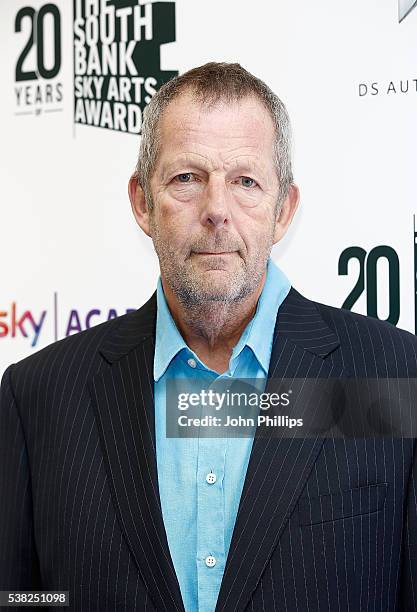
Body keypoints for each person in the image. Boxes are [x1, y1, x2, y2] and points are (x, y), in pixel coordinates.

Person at [0, 62, 416, 612]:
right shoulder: (38, 397)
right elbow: (23, 599)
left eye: (245, 181)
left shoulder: (393, 377)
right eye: (187, 178)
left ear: (283, 209)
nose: (217, 211)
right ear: (142, 202)